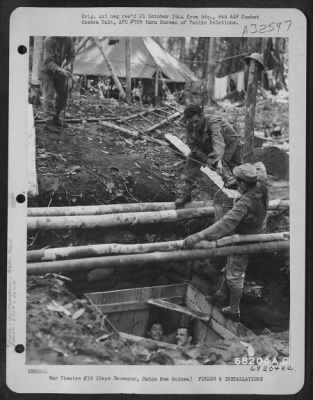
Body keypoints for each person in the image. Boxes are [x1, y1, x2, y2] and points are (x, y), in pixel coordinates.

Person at [183, 163, 269, 322]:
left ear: (243, 183)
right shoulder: (261, 187)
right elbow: (259, 169)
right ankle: (221, 295)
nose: (237, 184)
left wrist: (199, 236)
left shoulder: (244, 204)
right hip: (254, 228)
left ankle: (234, 310)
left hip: (246, 237)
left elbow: (225, 224)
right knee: (230, 263)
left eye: (239, 182)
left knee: (234, 275)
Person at [175, 104, 243, 207]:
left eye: (196, 121)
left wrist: (218, 161)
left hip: (230, 145)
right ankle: (186, 193)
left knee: (239, 173)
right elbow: (194, 147)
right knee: (192, 158)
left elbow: (218, 141)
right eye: (191, 122)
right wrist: (207, 160)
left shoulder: (213, 122)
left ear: (202, 115)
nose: (194, 125)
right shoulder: (190, 125)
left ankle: (246, 197)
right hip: (209, 147)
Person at [39, 36, 75, 133]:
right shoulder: (49, 41)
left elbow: (71, 55)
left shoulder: (68, 40)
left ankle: (56, 117)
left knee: (63, 93)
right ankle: (49, 122)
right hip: (46, 70)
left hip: (59, 70)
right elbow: (48, 61)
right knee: (49, 94)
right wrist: (61, 70)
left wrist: (69, 64)